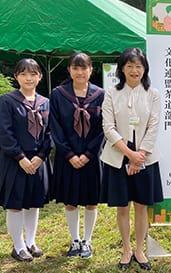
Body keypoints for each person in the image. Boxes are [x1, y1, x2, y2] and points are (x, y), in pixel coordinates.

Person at [100, 48, 163, 271]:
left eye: (138, 66)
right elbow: (108, 127)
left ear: (144, 68)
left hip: (146, 156)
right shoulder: (112, 93)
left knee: (142, 206)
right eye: (129, 66)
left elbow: (154, 126)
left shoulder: (153, 93)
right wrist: (129, 154)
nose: (134, 70)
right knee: (123, 206)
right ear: (122, 69)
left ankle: (139, 249)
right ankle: (126, 249)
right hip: (119, 156)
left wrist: (140, 156)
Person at [0, 58, 52, 262]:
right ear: (16, 76)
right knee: (15, 203)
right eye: (24, 73)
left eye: (33, 74)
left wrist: (40, 157)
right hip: (14, 161)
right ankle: (18, 246)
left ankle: (31, 241)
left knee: (33, 203)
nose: (29, 78)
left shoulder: (45, 102)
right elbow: (4, 134)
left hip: (37, 161)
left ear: (40, 77)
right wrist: (21, 157)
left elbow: (50, 133)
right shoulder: (7, 101)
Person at [49, 53, 105, 259]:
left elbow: (103, 128)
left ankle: (87, 240)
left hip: (92, 157)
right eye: (75, 68)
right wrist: (70, 154)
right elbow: (55, 127)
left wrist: (90, 153)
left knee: (92, 200)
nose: (80, 72)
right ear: (69, 70)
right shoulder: (58, 94)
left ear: (91, 70)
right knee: (70, 200)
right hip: (67, 157)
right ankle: (74, 239)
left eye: (84, 68)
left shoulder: (100, 94)